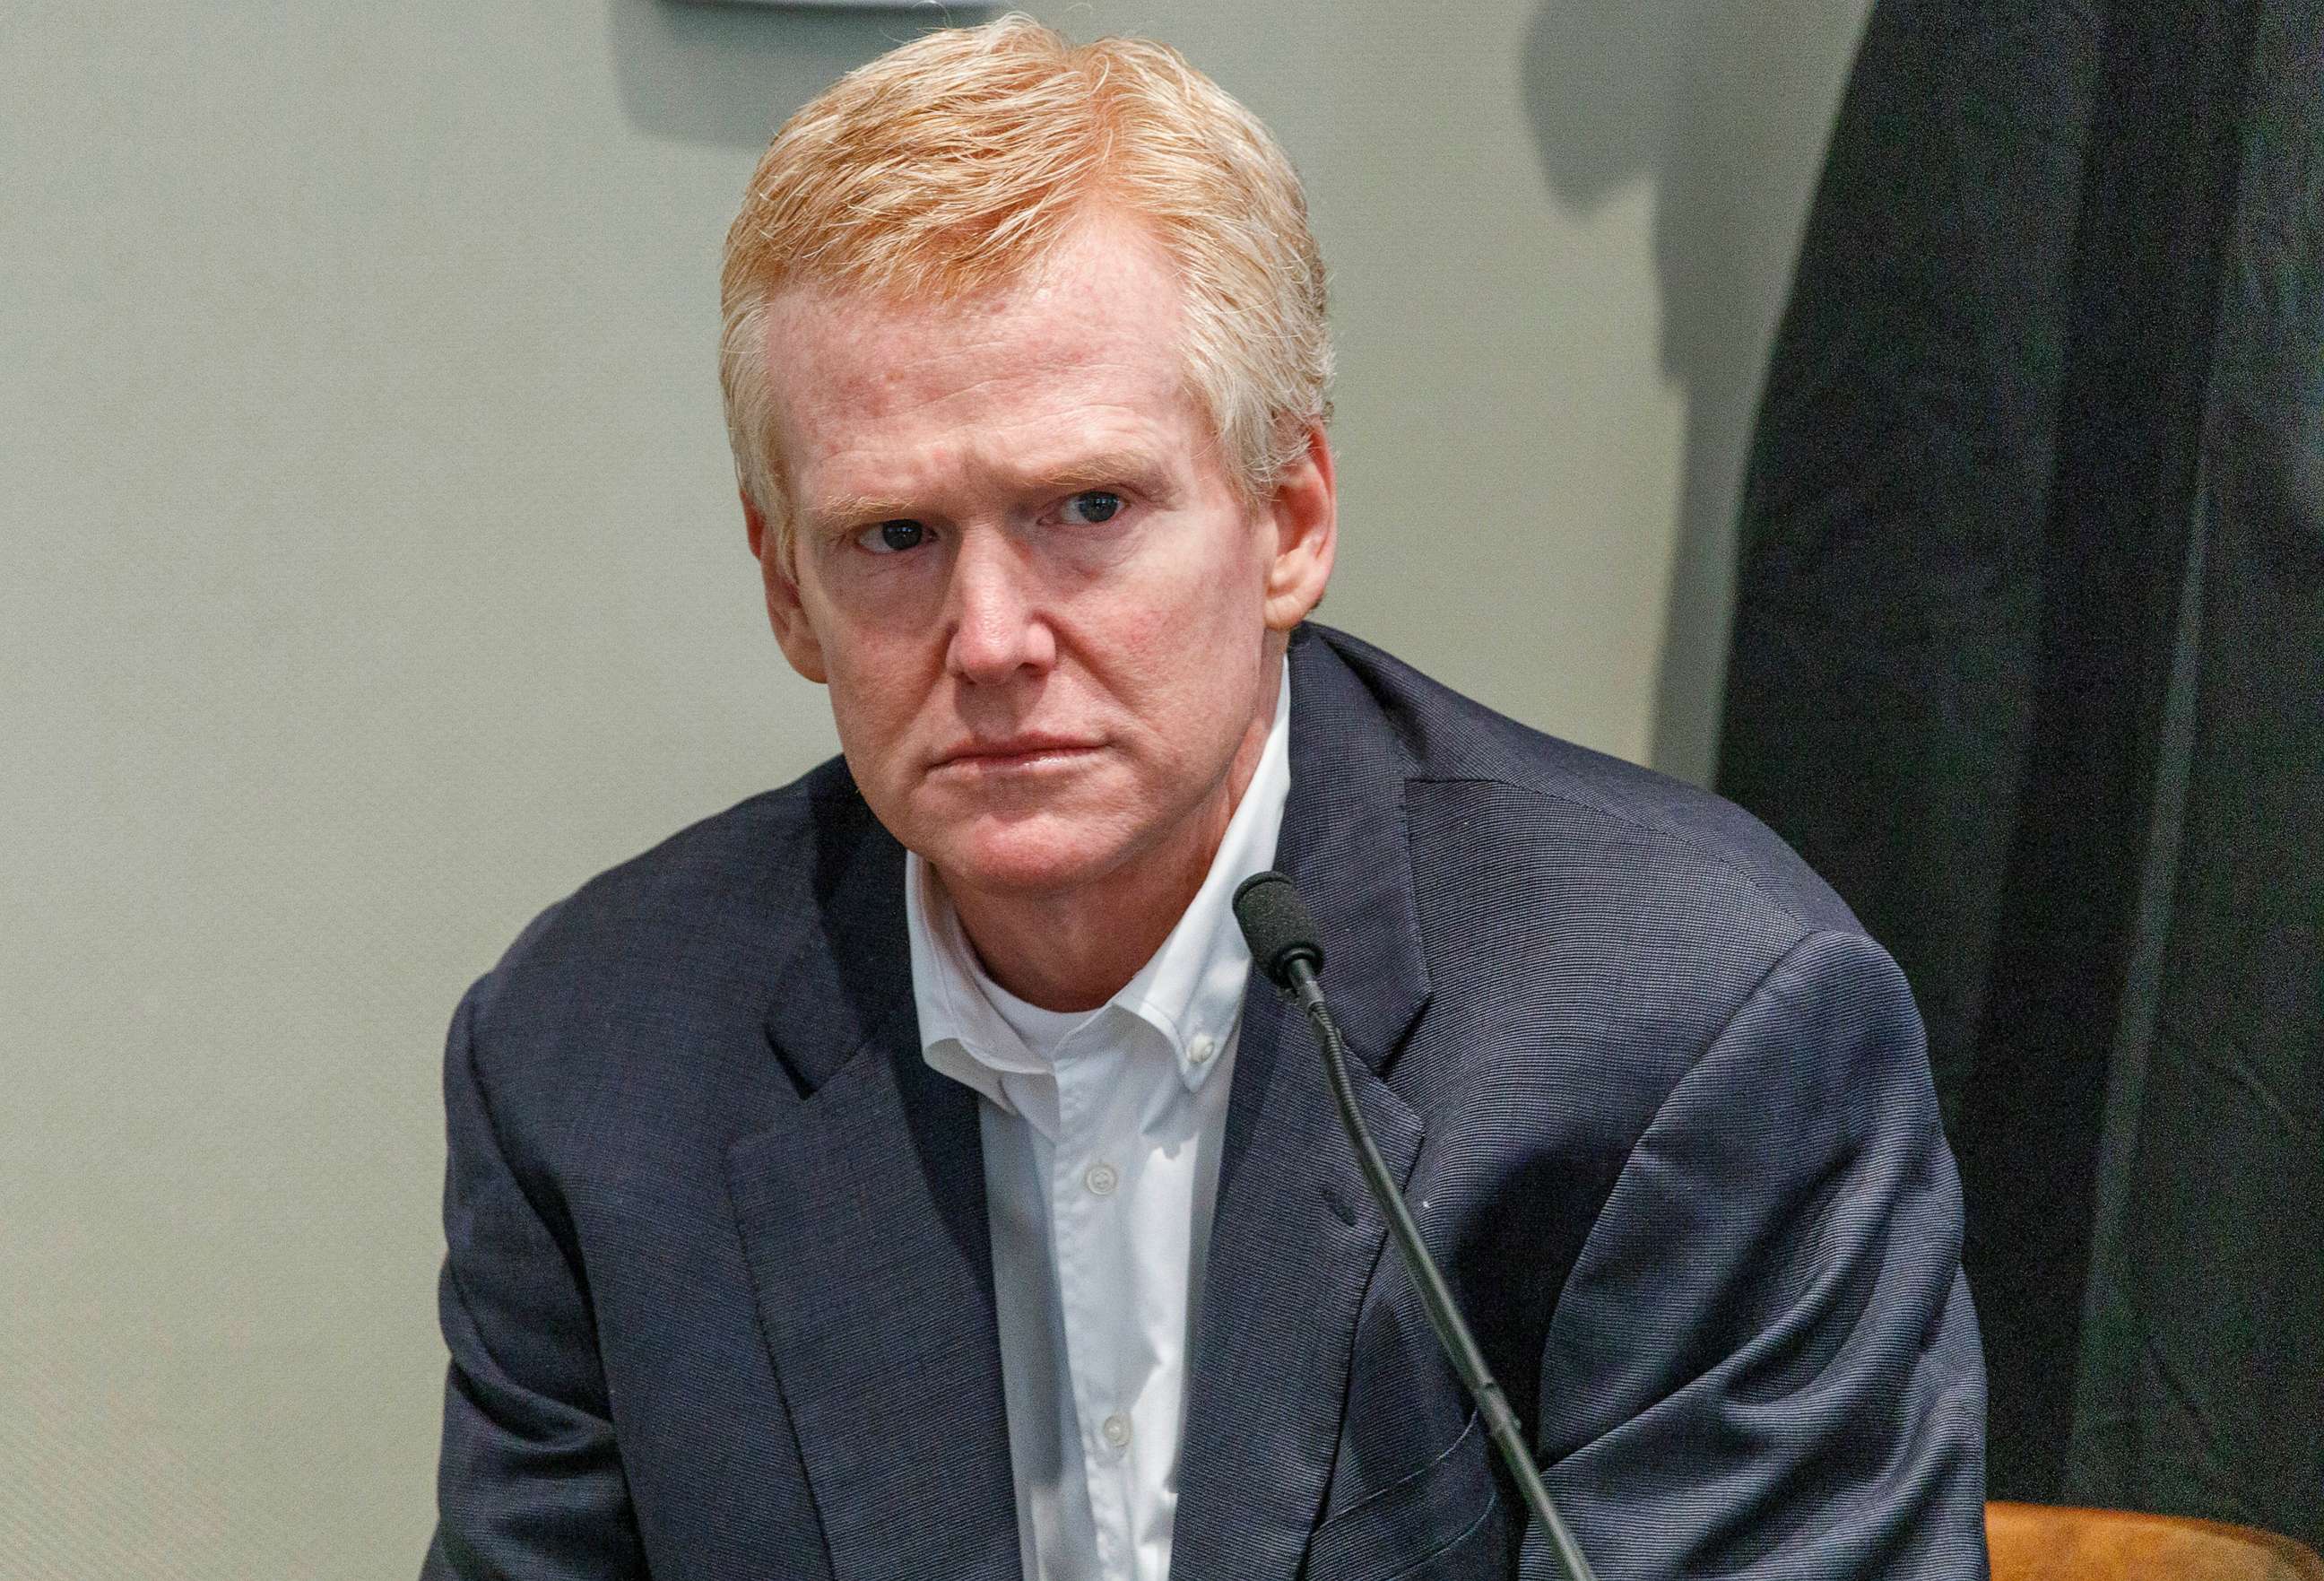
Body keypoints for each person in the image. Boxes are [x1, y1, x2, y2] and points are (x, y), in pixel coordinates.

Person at [421, 17, 1987, 1581]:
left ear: (1288, 520)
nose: (990, 642)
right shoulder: (591, 1064)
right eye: (894, 538)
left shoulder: (1691, 1033)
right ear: (784, 589)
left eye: (1087, 509)